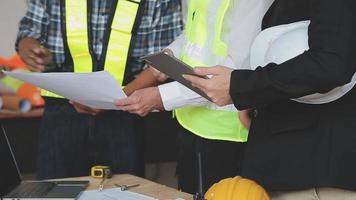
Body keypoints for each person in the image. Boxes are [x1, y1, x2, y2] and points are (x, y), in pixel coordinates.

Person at [184, 0, 356, 199]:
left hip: (318, 169)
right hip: (299, 161)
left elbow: (330, 64)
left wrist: (242, 87)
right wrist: (257, 98)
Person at [115, 0, 273, 193]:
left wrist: (163, 96)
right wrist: (170, 55)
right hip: (189, 121)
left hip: (227, 131)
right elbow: (193, 34)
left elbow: (234, 72)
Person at [16, 0, 182, 179]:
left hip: (124, 113)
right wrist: (29, 48)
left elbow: (166, 59)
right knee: (55, 191)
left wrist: (115, 99)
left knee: (123, 191)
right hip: (61, 112)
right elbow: (29, 29)